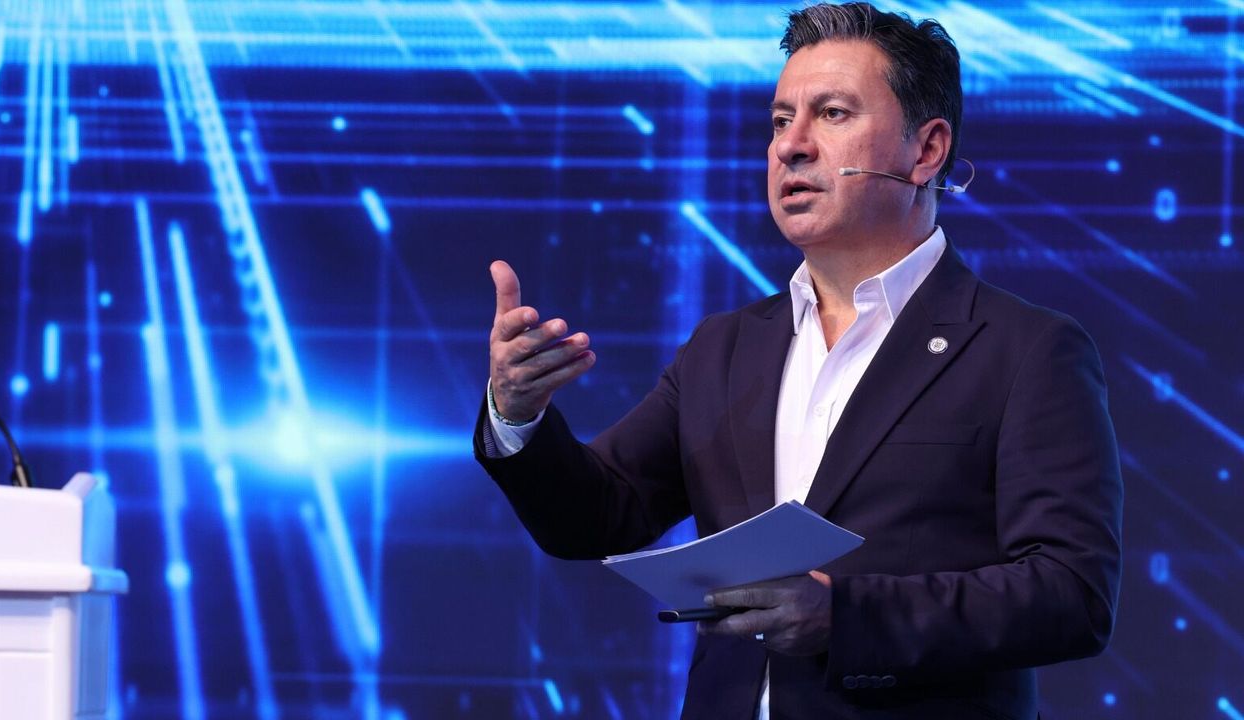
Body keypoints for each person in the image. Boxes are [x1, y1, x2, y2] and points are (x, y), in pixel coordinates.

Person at [474, 3, 1122, 718]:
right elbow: (598, 517)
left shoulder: (1024, 350)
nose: (791, 146)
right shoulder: (724, 348)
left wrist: (846, 616)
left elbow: (1071, 593)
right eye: (781, 120)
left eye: (832, 114)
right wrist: (516, 415)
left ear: (927, 150)